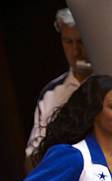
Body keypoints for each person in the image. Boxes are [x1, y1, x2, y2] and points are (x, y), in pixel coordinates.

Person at [24, 7, 93, 169]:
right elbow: (32, 155)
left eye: (81, 41)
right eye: (68, 42)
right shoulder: (51, 93)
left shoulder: (109, 86)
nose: (76, 51)